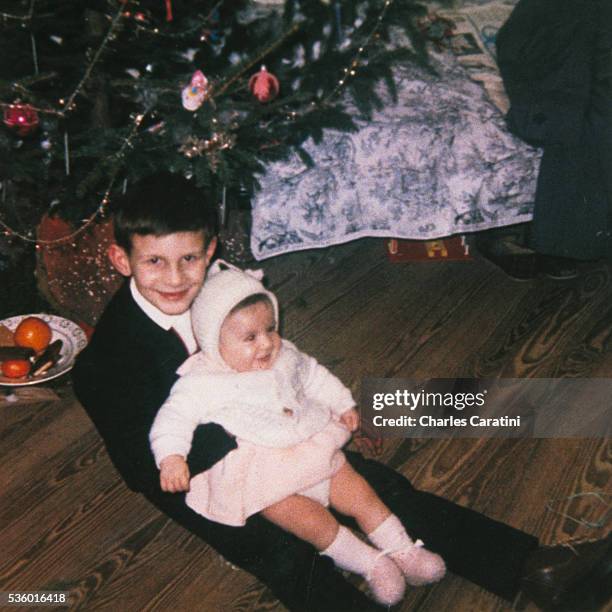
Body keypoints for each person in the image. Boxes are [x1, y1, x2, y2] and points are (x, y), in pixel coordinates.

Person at [72, 172, 612, 611]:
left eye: (189, 259)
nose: (175, 277)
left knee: (378, 490)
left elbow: (280, 356)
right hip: (205, 475)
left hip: (283, 429)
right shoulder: (106, 363)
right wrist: (263, 455)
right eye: (155, 262)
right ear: (123, 261)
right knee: (285, 552)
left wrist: (319, 416)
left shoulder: (225, 288)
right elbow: (141, 469)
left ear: (210, 251)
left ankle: (535, 569)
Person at [149, 260, 446, 606]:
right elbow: (173, 417)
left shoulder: (285, 354)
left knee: (359, 492)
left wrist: (343, 404)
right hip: (264, 475)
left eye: (270, 329)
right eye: (249, 337)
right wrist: (171, 456)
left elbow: (314, 377)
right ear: (214, 343)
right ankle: (371, 564)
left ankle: (403, 549)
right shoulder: (202, 381)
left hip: (313, 447)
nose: (266, 344)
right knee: (313, 523)